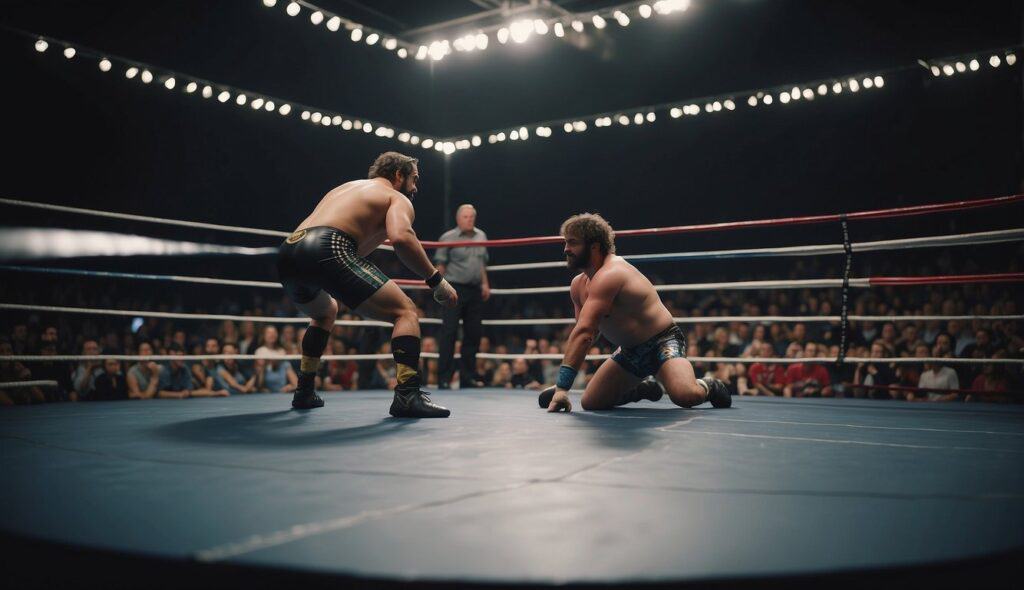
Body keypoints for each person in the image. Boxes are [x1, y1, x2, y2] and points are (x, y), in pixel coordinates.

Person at [276, 152, 458, 417]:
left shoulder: (345, 188)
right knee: (405, 311)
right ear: (398, 175)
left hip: (290, 251)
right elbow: (402, 237)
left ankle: (304, 390)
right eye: (414, 179)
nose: (416, 187)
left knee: (325, 311)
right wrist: (436, 280)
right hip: (330, 246)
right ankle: (408, 395)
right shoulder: (395, 197)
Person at [542, 213, 730, 412]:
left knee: (685, 395)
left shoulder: (612, 273)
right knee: (592, 402)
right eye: (566, 243)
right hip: (630, 351)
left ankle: (710, 386)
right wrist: (564, 381)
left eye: (572, 243)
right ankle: (642, 389)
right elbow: (588, 333)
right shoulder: (578, 285)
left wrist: (563, 387)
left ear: (594, 246)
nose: (566, 249)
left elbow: (584, 333)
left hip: (663, 341)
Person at [434, 204, 491, 389]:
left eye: (472, 216)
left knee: (473, 333)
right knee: (449, 332)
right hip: (453, 288)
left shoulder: (481, 235)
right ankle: (443, 377)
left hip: (475, 290)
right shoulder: (448, 237)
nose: (469, 219)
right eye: (466, 216)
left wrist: (485, 283)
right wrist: (438, 288)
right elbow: (440, 265)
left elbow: (481, 263)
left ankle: (468, 377)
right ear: (458, 219)